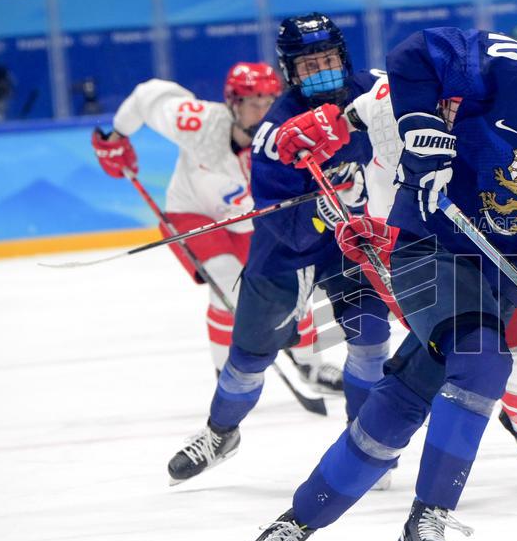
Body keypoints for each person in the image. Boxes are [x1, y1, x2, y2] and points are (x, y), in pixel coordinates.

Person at [233, 0, 517, 541]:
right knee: (485, 363)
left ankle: (294, 522)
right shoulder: (513, 68)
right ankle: (428, 520)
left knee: (405, 398)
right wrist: (421, 124)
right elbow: (417, 54)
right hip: (429, 243)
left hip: (500, 271)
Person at [341, 78, 517, 481]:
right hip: (408, 249)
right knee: (437, 352)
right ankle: (371, 449)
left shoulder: (492, 95)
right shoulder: (386, 95)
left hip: (481, 244)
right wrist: (338, 160)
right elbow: (347, 118)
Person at [164, 14, 392, 485]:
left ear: (344, 57)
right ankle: (221, 433)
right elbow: (278, 219)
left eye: (329, 60)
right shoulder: (275, 131)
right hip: (287, 253)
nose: (322, 71)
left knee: (371, 345)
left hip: (356, 242)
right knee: (247, 359)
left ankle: (365, 447)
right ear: (291, 71)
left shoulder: (375, 92)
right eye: (309, 65)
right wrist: (320, 214)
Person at [91, 63, 341, 392]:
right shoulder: (198, 123)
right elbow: (146, 95)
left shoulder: (286, 136)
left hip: (251, 224)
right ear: (232, 103)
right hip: (193, 215)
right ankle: (229, 377)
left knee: (290, 286)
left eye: (271, 102)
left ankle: (311, 365)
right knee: (225, 282)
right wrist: (117, 136)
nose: (265, 111)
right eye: (255, 103)